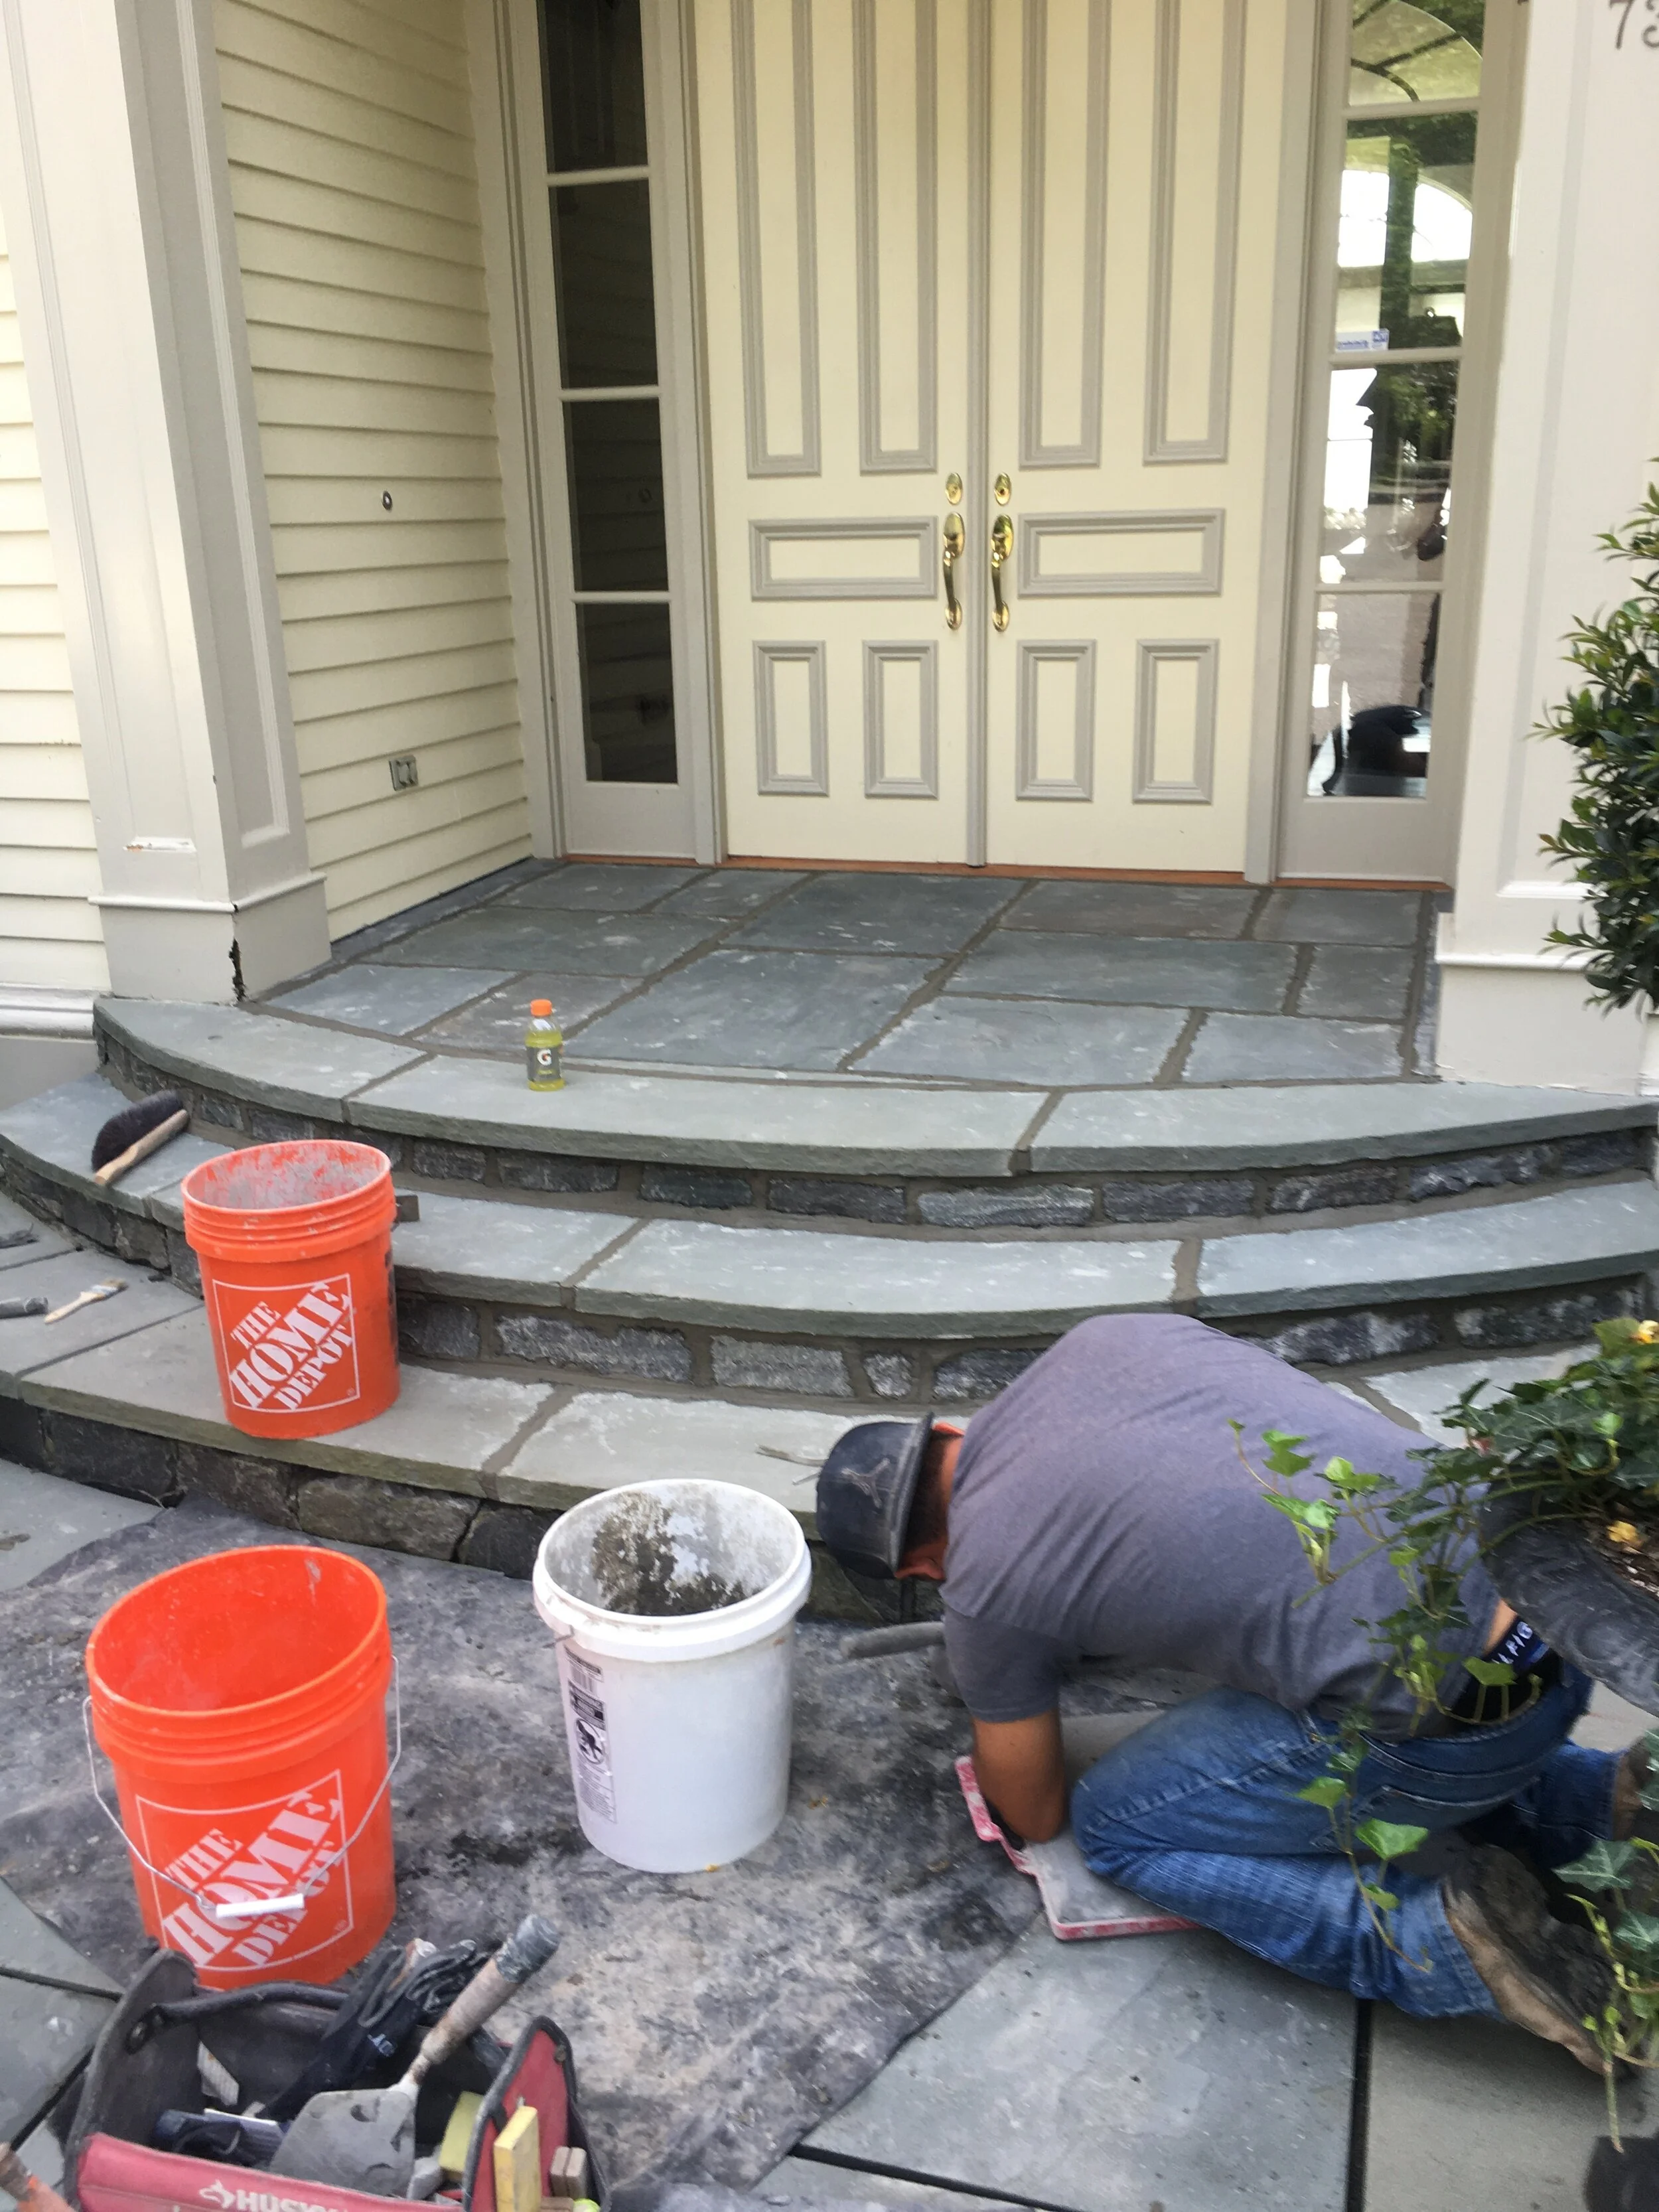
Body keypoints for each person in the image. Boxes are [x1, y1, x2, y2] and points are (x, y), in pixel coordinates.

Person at [814, 1313, 1644, 2067]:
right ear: (950, 1433)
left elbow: (1031, 1812)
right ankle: (1602, 1804)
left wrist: (989, 1672)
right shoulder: (1110, 1340)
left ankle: (1449, 1946)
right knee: (1342, 1649)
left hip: (1461, 1732)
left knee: (1115, 1828)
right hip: (1570, 1606)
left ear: (920, 1568)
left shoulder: (983, 1590)